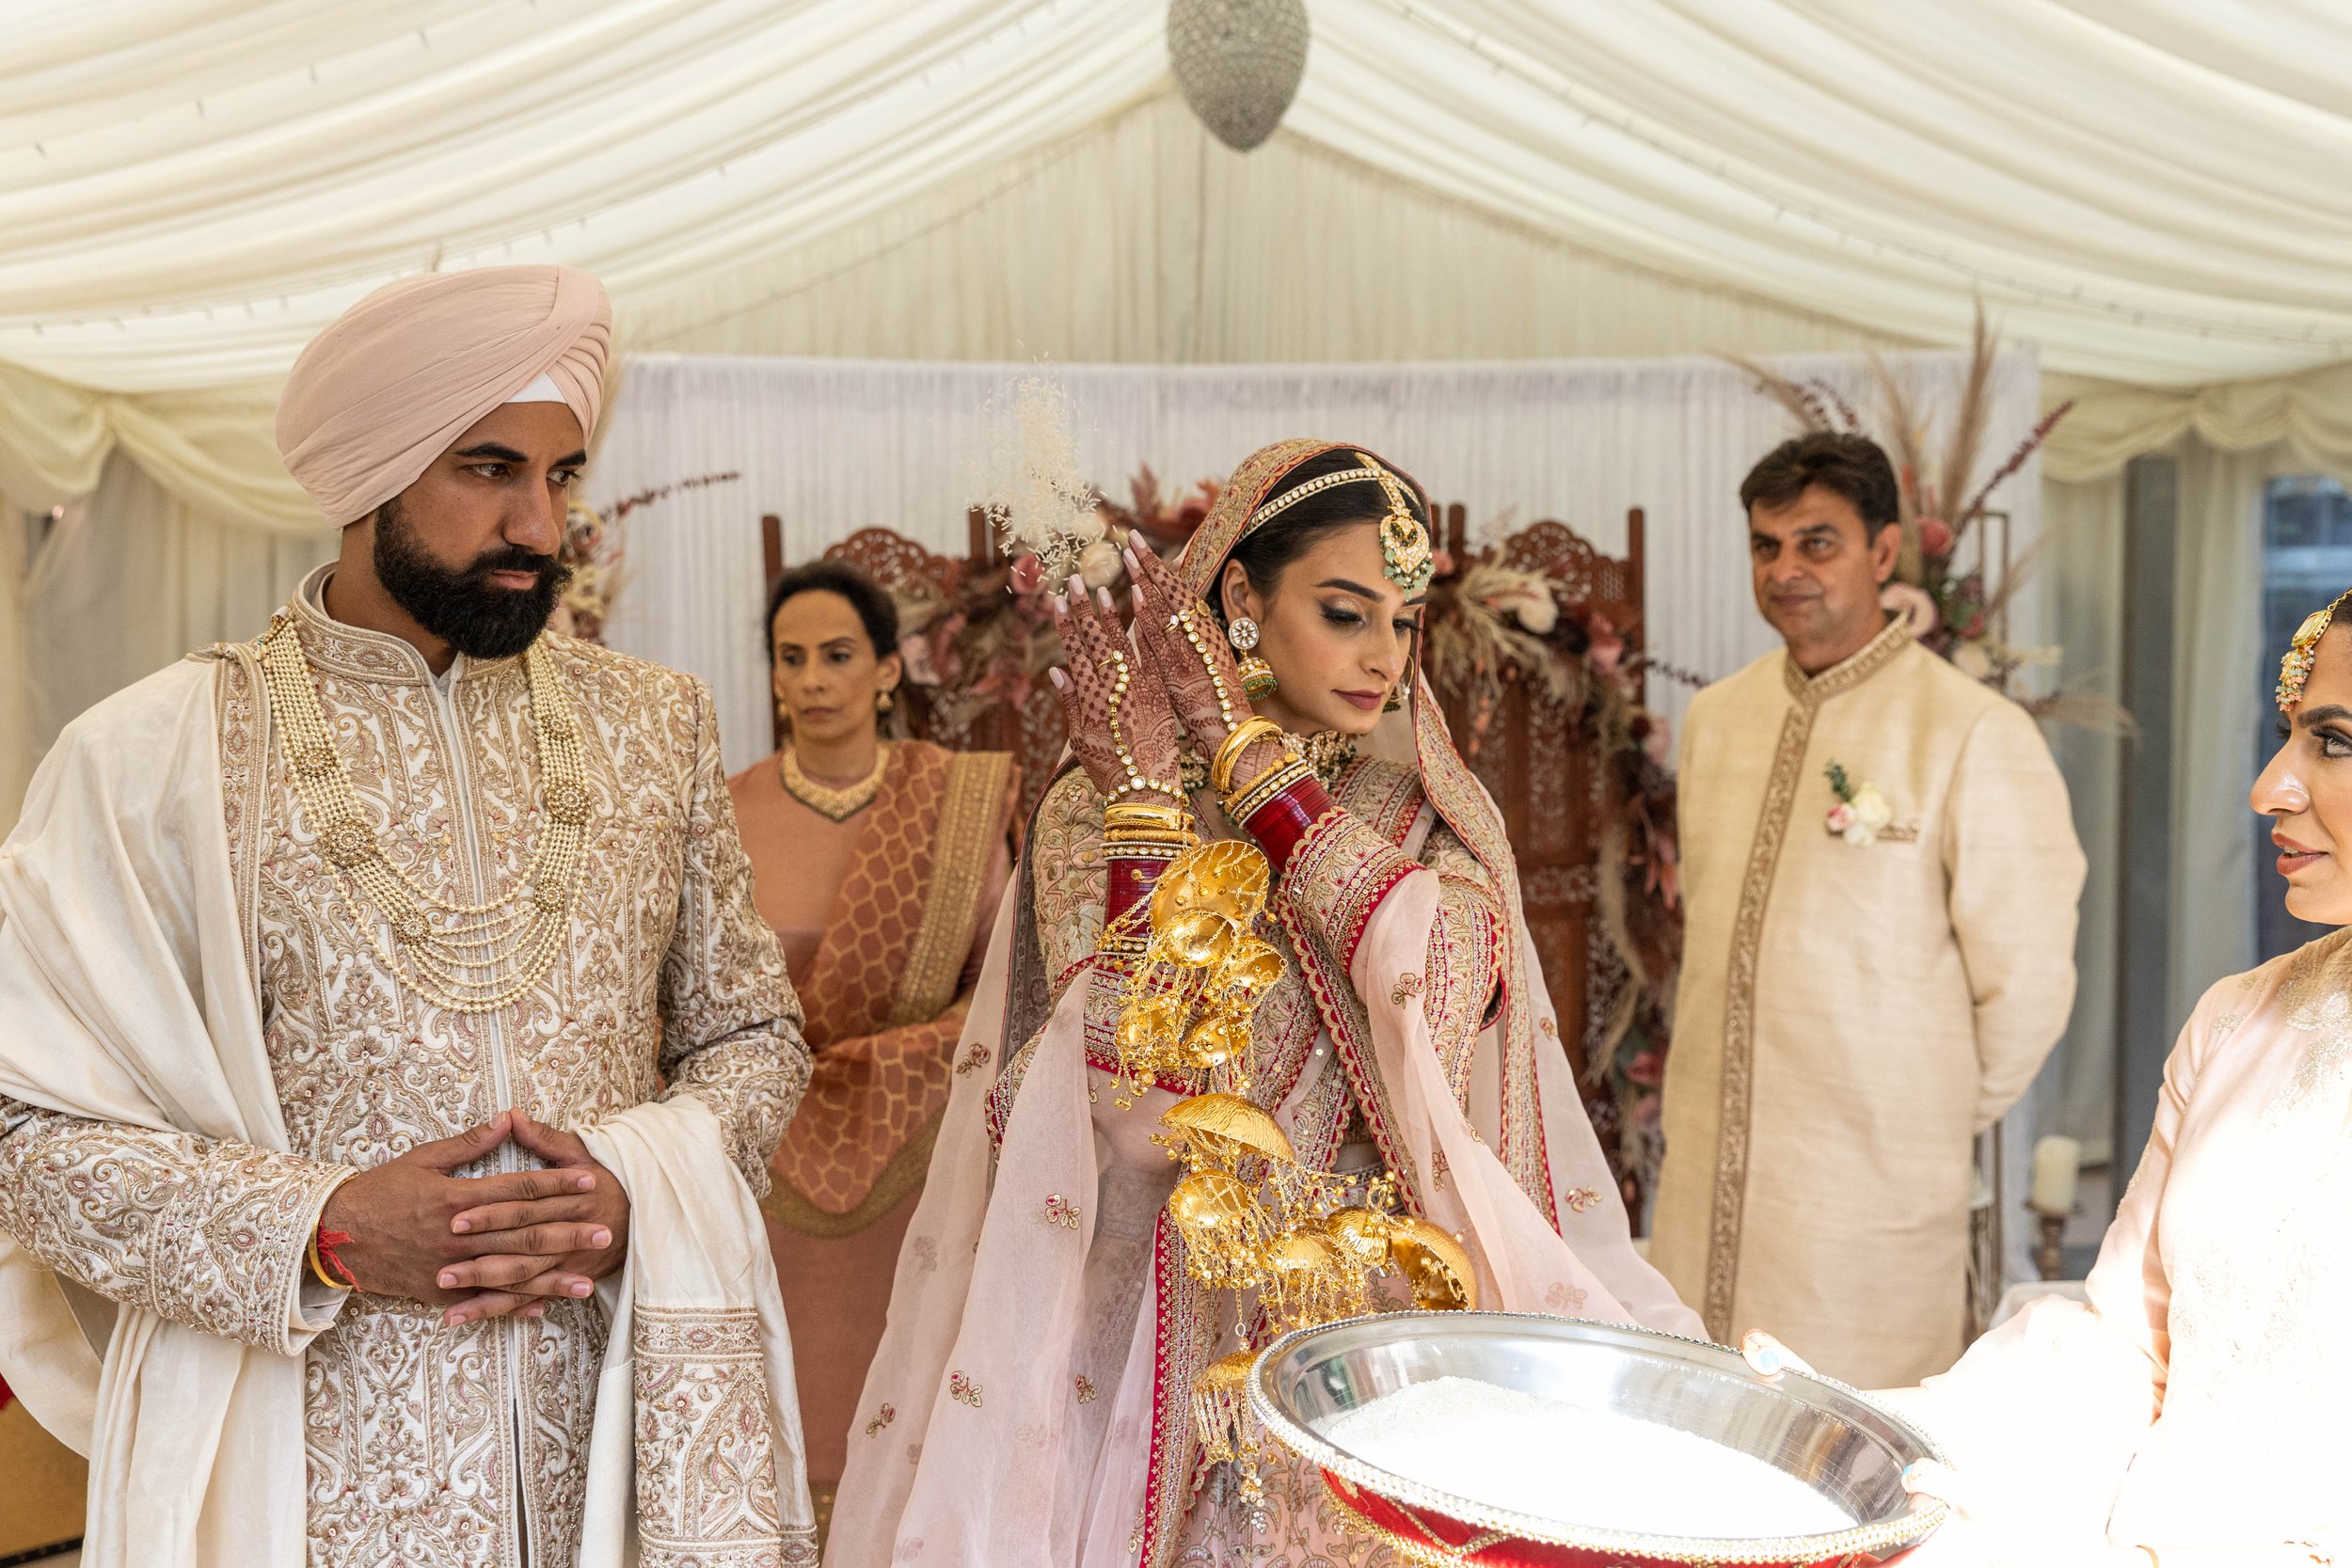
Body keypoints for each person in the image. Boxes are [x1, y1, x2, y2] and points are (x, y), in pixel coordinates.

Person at [0, 265, 818, 1568]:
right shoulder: (155, 755)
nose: (539, 524)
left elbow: (752, 1035)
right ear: (366, 472)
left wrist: (636, 1186)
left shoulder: (654, 726)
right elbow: (25, 1135)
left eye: (562, 474)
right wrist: (317, 1225)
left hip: (607, 1434)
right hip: (303, 1458)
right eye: (488, 468)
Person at [825, 438, 1699, 1568]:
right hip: (1156, 1337)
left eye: (1404, 620)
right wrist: (1149, 830)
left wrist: (1261, 782)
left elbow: (1428, 1006)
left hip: (1383, 1339)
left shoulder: (1428, 817)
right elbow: (1124, 1108)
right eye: (1346, 612)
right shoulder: (1102, 809)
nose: (1383, 654)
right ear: (1239, 596)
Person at [1870, 591, 2352, 1566]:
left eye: (2331, 741)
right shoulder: (2237, 1018)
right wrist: (1891, 1433)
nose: (2268, 787)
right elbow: (2126, 1345)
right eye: (2286, 735)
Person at [1651, 431, 2085, 1389]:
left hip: (1870, 1205)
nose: (1785, 570)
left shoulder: (1972, 730)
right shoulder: (1716, 717)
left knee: (1852, 1472)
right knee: (1692, 1450)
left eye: (1817, 543)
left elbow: (2027, 987)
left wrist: (1915, 1112)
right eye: (1766, 546)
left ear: (1883, 553)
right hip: (1701, 1183)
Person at [726, 560, 1017, 1524]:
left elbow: (998, 991)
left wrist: (892, 1066)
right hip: (761, 1170)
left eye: (838, 655)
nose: (812, 678)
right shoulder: (724, 811)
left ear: (888, 670)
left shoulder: (957, 801)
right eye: (791, 657)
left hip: (923, 1160)